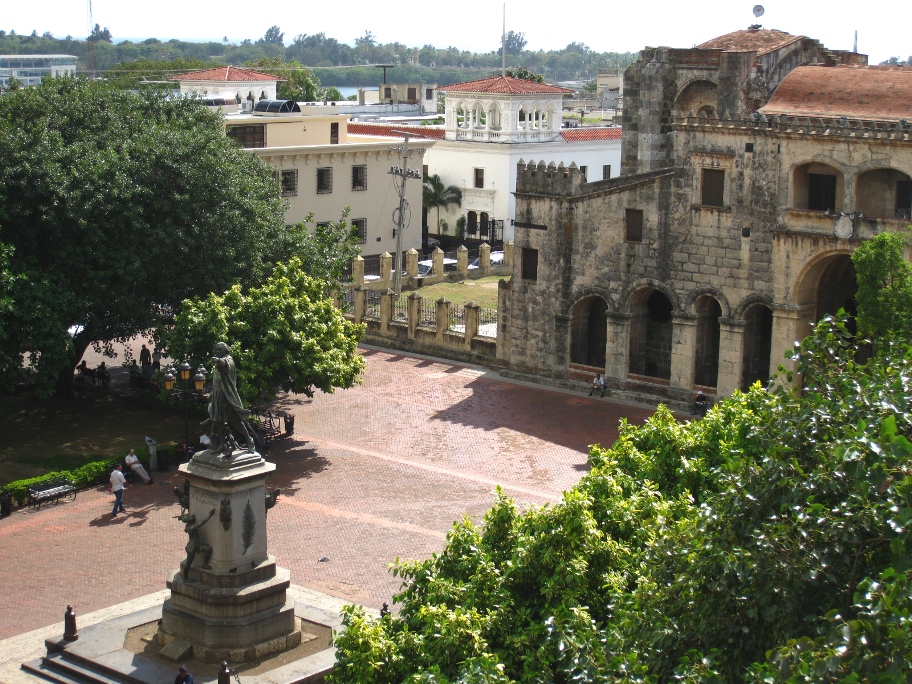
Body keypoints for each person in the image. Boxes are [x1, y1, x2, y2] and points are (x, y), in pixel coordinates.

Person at [203, 342, 255, 455]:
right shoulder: (219, 362)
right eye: (216, 350)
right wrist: (212, 393)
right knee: (218, 421)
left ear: (226, 350)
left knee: (235, 420)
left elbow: (225, 364)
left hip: (226, 396)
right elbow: (217, 381)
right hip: (217, 395)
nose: (217, 351)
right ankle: (222, 444)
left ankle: (249, 441)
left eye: (219, 350)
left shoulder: (228, 360)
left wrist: (218, 361)